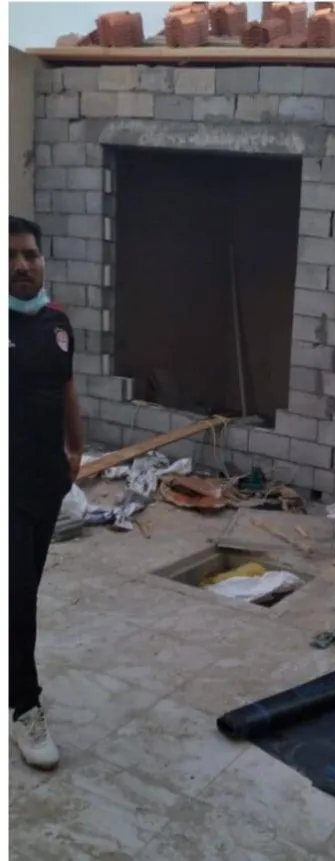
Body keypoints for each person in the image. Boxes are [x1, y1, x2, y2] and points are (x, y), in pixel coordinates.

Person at [9, 215, 83, 769]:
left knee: (22, 592)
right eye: (10, 256)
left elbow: (66, 386)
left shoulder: (57, 323)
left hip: (45, 484)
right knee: (18, 602)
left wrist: (76, 448)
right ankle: (24, 707)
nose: (21, 265)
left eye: (30, 254)